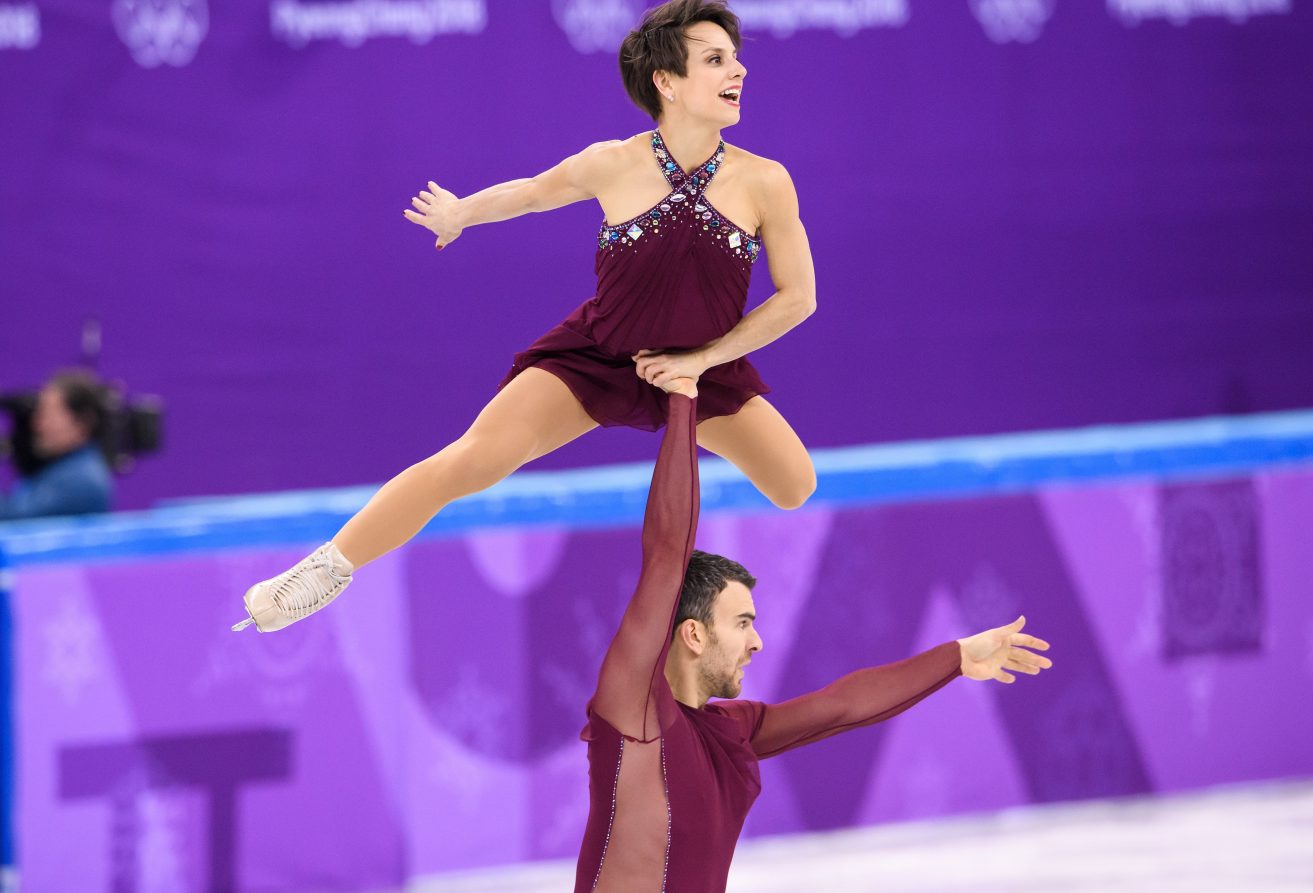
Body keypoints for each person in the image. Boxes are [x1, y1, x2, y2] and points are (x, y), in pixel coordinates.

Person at [234, 0, 818, 632]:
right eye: (715, 59)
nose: (738, 71)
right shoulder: (612, 163)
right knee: (473, 460)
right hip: (601, 356)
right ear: (666, 82)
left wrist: (700, 362)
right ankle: (324, 570)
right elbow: (534, 192)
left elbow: (798, 298)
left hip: (701, 370)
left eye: (734, 58)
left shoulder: (765, 182)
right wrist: (461, 213)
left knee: (795, 486)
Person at [578, 385, 1053, 892]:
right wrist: (682, 398)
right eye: (742, 623)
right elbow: (667, 553)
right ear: (693, 633)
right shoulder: (633, 712)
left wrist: (957, 656)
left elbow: (841, 706)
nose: (756, 642)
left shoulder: (728, 729)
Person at [0, 371, 114, 521]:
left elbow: (16, 519)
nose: (37, 425)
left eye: (47, 414)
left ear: (83, 423)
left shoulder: (81, 481)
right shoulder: (57, 469)